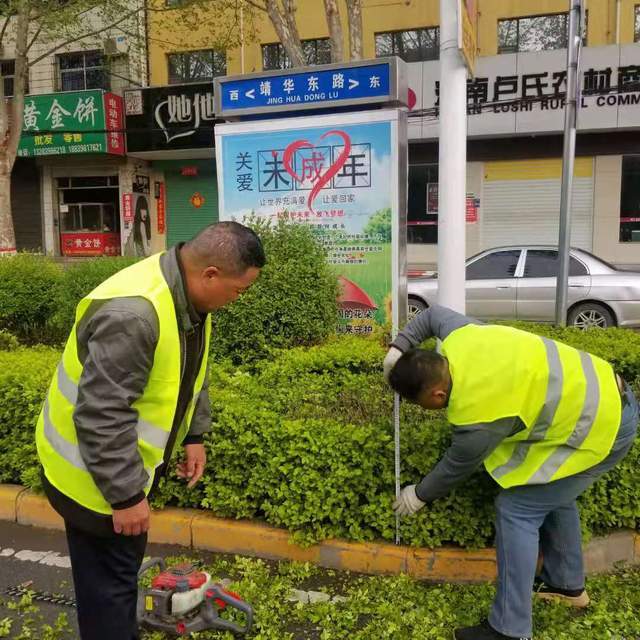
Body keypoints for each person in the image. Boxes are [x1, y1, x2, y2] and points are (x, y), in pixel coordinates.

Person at [35, 221, 266, 640]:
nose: (238, 300)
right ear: (210, 274)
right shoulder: (136, 314)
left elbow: (191, 372)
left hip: (113, 475)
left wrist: (194, 434)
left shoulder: (188, 299)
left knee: (114, 583)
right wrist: (125, 496)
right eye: (239, 290)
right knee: (110, 590)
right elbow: (101, 414)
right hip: (92, 484)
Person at [383, 305, 639, 640]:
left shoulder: (477, 415)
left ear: (437, 394)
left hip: (603, 426)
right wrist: (398, 348)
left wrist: (418, 495)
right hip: (608, 391)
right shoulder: (461, 337)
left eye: (420, 404)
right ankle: (566, 586)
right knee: (550, 492)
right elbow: (431, 316)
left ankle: (509, 629)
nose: (424, 411)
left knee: (517, 509)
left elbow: (454, 468)